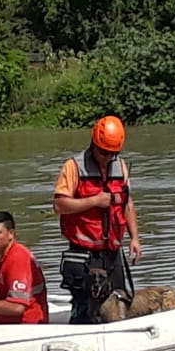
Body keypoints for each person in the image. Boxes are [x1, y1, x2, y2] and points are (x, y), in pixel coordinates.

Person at [53, 115, 142, 324]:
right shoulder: (73, 167)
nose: (107, 158)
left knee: (119, 303)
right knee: (85, 309)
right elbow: (59, 205)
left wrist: (135, 238)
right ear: (94, 144)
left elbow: (127, 204)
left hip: (112, 253)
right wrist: (94, 201)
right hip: (83, 255)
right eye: (103, 152)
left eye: (112, 153)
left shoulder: (120, 167)